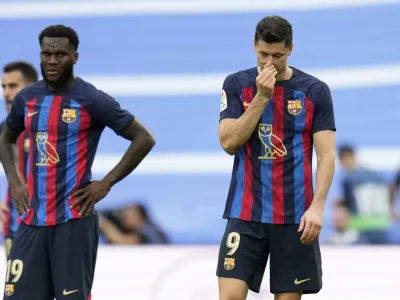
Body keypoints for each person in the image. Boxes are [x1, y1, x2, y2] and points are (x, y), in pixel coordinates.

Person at [0, 24, 156, 300]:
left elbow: (143, 138)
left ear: (75, 56)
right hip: (31, 220)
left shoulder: (90, 99)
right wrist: (15, 182)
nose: (51, 60)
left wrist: (106, 184)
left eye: (60, 54)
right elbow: (6, 137)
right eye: (46, 54)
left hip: (73, 220)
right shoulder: (28, 98)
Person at [216, 16, 336, 300]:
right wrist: (261, 98)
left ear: (290, 49)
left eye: (277, 55)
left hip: (295, 217)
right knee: (230, 296)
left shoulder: (314, 91)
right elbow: (228, 143)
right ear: (254, 45)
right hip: (245, 213)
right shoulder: (237, 84)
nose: (269, 62)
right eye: (263, 54)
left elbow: (327, 154)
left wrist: (318, 207)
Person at [1, 61, 38, 258]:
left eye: (13, 86)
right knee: (16, 289)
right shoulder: (4, 131)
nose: (6, 93)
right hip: (14, 229)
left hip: (49, 228)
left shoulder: (52, 128)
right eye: (3, 87)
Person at [337, 145, 392, 244]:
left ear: (343, 159)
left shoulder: (349, 179)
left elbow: (348, 206)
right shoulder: (379, 177)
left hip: (361, 228)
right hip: (383, 226)